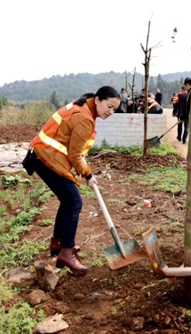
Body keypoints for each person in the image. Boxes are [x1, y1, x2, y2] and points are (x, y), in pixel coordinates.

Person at [28, 86, 121, 274]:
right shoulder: (85, 118)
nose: (111, 112)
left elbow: (73, 148)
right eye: (109, 106)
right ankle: (66, 251)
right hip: (45, 158)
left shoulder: (83, 107)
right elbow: (75, 155)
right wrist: (88, 174)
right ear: (97, 100)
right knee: (74, 202)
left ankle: (58, 243)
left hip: (43, 155)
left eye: (114, 109)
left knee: (68, 200)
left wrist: (86, 173)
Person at [179, 77, 191, 144]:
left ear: (187, 84)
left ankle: (184, 139)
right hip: (187, 115)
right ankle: (184, 140)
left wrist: (182, 117)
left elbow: (188, 108)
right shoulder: (189, 93)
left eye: (185, 85)